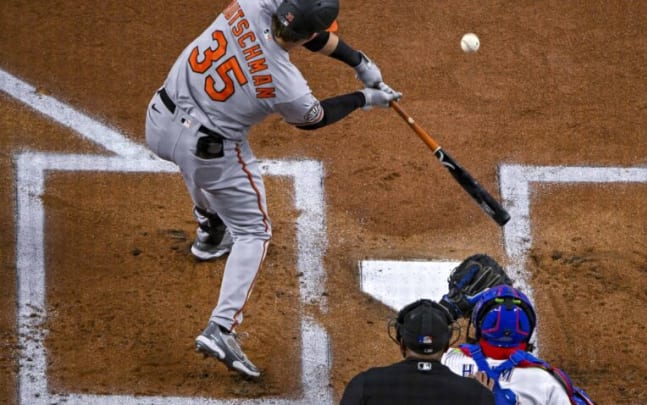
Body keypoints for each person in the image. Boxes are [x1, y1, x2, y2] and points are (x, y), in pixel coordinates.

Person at [144, 0, 401, 378]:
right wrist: (365, 97)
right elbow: (313, 118)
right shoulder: (288, 85)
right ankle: (222, 327)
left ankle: (211, 230)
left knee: (202, 172)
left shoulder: (250, 5)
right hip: (209, 152)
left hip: (159, 123)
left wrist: (358, 62)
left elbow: (305, 33)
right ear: (312, 33)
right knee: (254, 231)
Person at [441, 284, 594, 405]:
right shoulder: (545, 381)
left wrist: (445, 309)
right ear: (527, 331)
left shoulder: (446, 363)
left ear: (479, 325)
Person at [339, 299, 495, 405]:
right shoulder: (476, 394)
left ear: (401, 344)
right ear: (447, 345)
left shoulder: (365, 384)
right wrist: (482, 396)